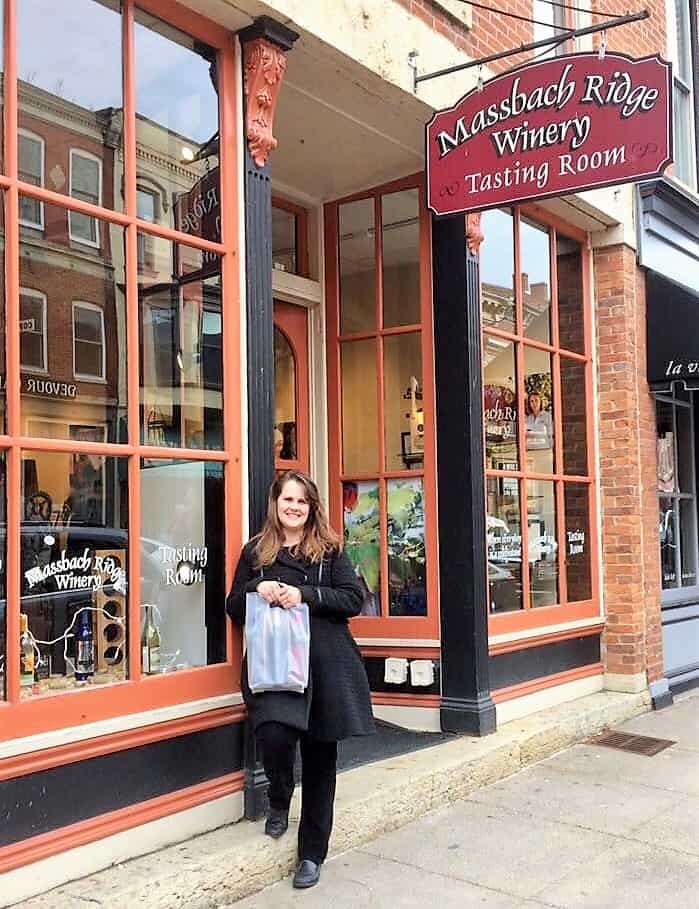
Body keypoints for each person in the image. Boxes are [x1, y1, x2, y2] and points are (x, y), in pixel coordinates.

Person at [226, 470, 375, 889]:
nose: (293, 507)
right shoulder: (256, 551)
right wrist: (260, 587)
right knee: (272, 734)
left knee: (320, 759)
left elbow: (353, 599)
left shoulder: (328, 551)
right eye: (287, 499)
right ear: (275, 504)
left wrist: (306, 595)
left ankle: (312, 853)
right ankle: (279, 794)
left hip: (324, 666)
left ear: (311, 508)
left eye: (301, 501)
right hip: (275, 665)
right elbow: (233, 605)